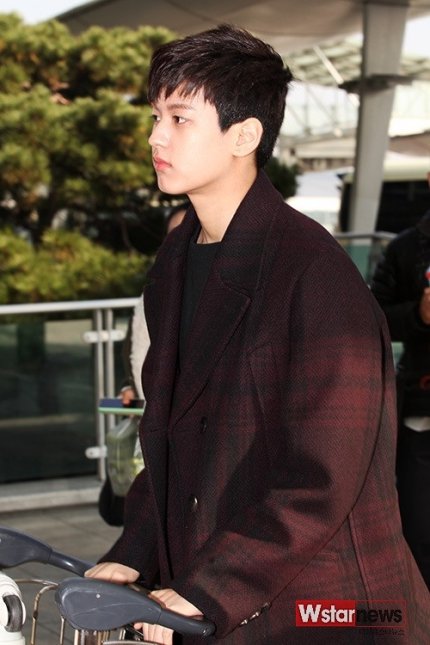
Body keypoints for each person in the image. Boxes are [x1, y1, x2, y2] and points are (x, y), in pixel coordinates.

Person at [86, 24, 430, 644]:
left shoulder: (315, 274)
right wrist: (135, 550)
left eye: (180, 118)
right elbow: (170, 440)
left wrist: (210, 588)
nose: (156, 136)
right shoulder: (175, 263)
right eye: (156, 116)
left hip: (328, 609)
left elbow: (322, 476)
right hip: (238, 589)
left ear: (244, 135)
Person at [99, 203, 188, 526]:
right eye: (172, 235)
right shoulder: (152, 293)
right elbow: (132, 354)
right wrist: (129, 386)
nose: (179, 241)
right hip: (150, 428)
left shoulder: (215, 296)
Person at [371, 177, 430, 591]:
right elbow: (374, 316)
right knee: (418, 531)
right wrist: (419, 315)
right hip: (420, 414)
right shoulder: (405, 247)